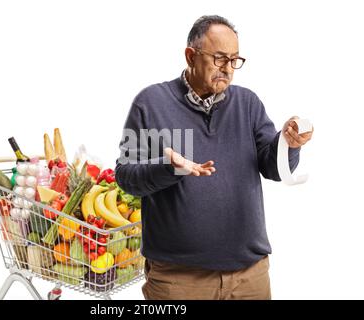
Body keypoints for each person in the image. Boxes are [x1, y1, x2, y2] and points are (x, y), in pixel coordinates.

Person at [115, 15, 313, 300]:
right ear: (190, 56)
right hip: (178, 280)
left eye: (234, 60)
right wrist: (169, 167)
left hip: (250, 277)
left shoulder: (248, 104)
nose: (228, 68)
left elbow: (274, 168)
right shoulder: (151, 102)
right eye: (219, 58)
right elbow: (126, 177)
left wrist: (289, 144)